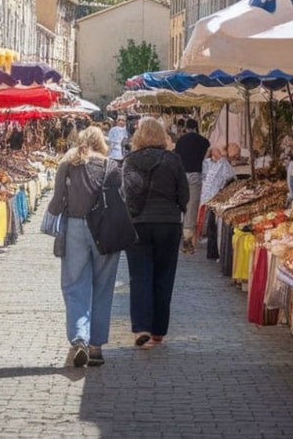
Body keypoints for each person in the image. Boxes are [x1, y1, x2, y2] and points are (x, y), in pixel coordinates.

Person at [44, 126, 120, 367]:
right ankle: (96, 346)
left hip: (76, 227)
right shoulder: (111, 167)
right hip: (106, 229)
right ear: (102, 144)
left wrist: (49, 221)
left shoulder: (69, 164)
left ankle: (79, 338)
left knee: (75, 284)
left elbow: (57, 200)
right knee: (104, 286)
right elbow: (122, 199)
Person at [122, 118, 189, 347]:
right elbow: (184, 193)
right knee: (164, 275)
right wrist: (178, 207)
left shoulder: (130, 160)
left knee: (139, 276)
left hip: (139, 224)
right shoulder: (173, 160)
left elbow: (127, 193)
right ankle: (159, 330)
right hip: (168, 223)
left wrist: (134, 213)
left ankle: (142, 327)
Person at [172, 119, 209, 254]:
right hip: (196, 176)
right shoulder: (204, 141)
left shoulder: (181, 141)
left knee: (181, 204)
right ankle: (188, 238)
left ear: (186, 128)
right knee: (192, 206)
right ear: (197, 127)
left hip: (181, 176)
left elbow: (176, 157)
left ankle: (180, 233)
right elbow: (207, 158)